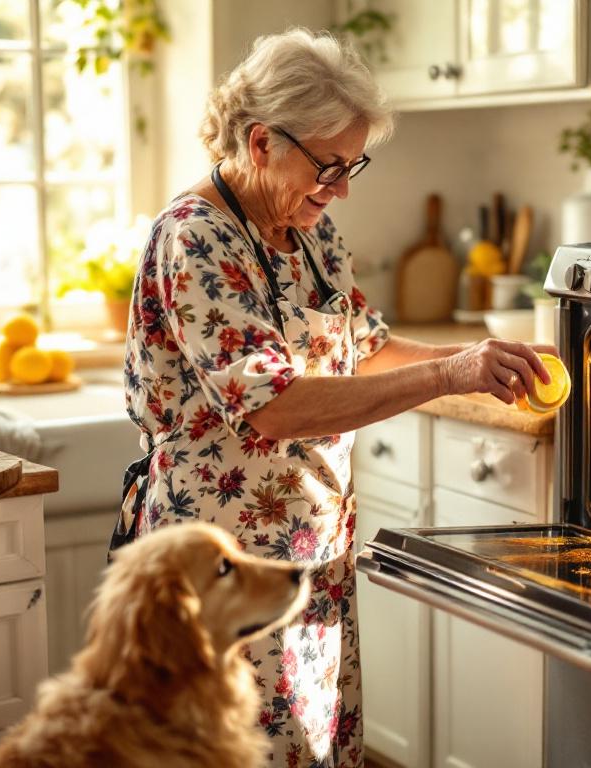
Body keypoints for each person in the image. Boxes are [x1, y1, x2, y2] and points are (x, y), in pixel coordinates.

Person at [122, 27, 552, 768]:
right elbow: (274, 406)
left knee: (315, 748)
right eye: (328, 165)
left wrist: (484, 360)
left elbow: (366, 346)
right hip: (223, 570)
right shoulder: (195, 239)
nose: (343, 186)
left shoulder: (309, 232)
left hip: (314, 553)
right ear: (262, 143)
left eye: (352, 164)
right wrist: (449, 377)